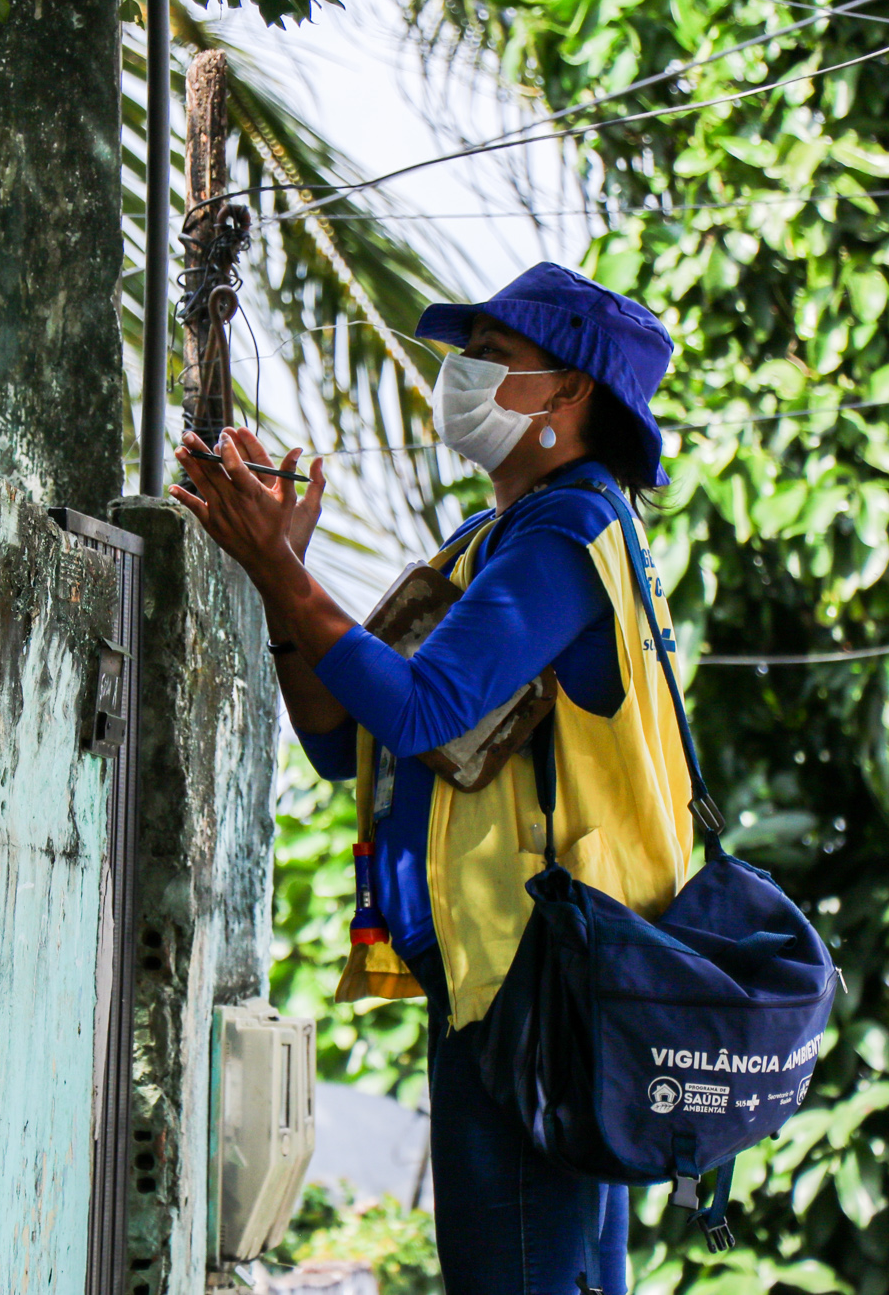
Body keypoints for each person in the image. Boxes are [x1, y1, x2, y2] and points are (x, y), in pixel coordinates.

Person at [169, 263, 696, 1295]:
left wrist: (282, 570)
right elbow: (341, 739)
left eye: (493, 359)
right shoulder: (494, 543)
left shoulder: (569, 531)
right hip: (503, 983)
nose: (460, 376)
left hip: (538, 985)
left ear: (567, 393)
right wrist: (283, 577)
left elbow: (419, 708)